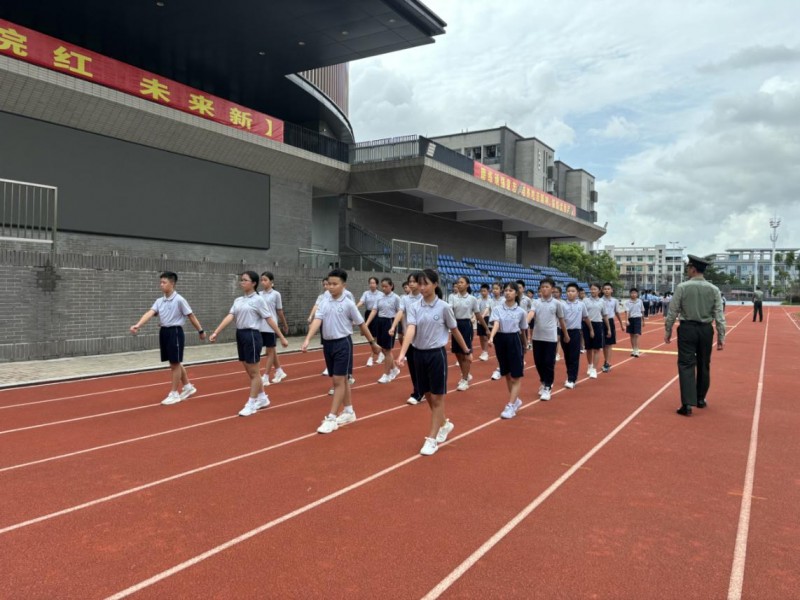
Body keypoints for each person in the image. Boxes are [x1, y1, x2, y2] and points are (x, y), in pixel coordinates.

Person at [395, 269, 471, 456]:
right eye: (419, 284)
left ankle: (431, 438)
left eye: (425, 283)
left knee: (437, 397)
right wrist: (402, 353)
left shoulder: (444, 307)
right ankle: (444, 424)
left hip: (436, 355)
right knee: (426, 394)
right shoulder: (414, 306)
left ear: (435, 284)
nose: (421, 287)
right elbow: (410, 329)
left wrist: (467, 350)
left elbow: (455, 330)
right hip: (419, 354)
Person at [302, 268, 382, 433]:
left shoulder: (348, 303)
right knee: (342, 380)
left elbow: (361, 324)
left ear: (343, 285)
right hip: (328, 344)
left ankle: (331, 417)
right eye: (328, 284)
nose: (330, 287)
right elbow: (318, 319)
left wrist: (372, 343)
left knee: (338, 381)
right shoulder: (325, 301)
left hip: (342, 343)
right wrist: (308, 338)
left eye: (334, 284)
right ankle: (349, 411)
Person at [208, 271, 288, 417]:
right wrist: (216, 332)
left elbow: (269, 319)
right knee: (249, 371)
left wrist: (281, 336)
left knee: (254, 372)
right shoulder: (238, 300)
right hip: (241, 334)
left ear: (253, 283)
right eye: (241, 280)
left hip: (252, 335)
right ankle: (262, 398)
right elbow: (230, 316)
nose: (242, 282)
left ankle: (251, 403)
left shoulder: (258, 300)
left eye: (245, 280)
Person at [130, 271, 206, 405]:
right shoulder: (159, 301)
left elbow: (191, 316)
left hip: (175, 332)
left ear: (172, 283)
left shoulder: (180, 300)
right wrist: (138, 325)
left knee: (174, 364)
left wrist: (200, 330)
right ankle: (188, 386)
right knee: (174, 362)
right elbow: (150, 313)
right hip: (164, 332)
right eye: (160, 282)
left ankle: (174, 393)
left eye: (164, 282)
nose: (161, 285)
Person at [664, 255, 726, 416]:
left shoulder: (682, 287)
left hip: (687, 329)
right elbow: (719, 315)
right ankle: (700, 399)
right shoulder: (714, 289)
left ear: (692, 269)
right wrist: (721, 337)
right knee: (704, 364)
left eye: (688, 268)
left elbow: (673, 311)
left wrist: (668, 330)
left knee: (686, 365)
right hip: (706, 330)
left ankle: (687, 404)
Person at [488, 282, 528, 419]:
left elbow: (523, 330)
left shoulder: (521, 312)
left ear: (516, 293)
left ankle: (511, 405)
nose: (507, 293)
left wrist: (525, 344)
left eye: (511, 290)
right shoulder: (497, 309)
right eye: (506, 290)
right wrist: (492, 337)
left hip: (514, 340)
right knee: (507, 373)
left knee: (516, 375)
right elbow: (496, 324)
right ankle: (515, 400)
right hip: (501, 340)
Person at [528, 277, 569, 400]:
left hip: (550, 338)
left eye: (547, 287)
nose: (544, 289)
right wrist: (525, 322)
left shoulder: (557, 303)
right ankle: (544, 381)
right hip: (537, 337)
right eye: (542, 287)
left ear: (552, 289)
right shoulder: (536, 302)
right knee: (538, 362)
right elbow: (531, 313)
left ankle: (547, 387)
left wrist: (565, 334)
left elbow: (561, 320)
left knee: (548, 363)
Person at [448, 276, 488, 391]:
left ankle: (465, 379)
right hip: (455, 325)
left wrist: (486, 328)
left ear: (467, 285)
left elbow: (478, 314)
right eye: (458, 283)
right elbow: (449, 310)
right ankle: (466, 374)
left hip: (466, 326)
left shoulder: (472, 299)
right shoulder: (452, 297)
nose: (459, 284)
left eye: (461, 282)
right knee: (457, 353)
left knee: (465, 353)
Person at [390, 273, 423, 404]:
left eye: (414, 281)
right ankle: (417, 392)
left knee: (422, 366)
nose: (411, 284)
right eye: (410, 281)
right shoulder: (404, 299)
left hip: (422, 338)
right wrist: (393, 326)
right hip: (409, 337)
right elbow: (400, 312)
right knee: (413, 367)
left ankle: (422, 389)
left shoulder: (424, 298)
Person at [366, 277, 402, 383]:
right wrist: (366, 323)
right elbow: (374, 310)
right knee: (382, 349)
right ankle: (394, 369)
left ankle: (386, 374)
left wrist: (394, 326)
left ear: (391, 286)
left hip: (389, 322)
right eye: (382, 286)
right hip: (380, 322)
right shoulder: (379, 297)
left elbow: (400, 312)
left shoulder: (396, 298)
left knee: (387, 350)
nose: (384, 288)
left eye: (386, 286)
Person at [258, 271, 290, 386]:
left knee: (270, 351)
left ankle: (266, 376)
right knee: (269, 351)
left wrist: (284, 324)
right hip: (260, 326)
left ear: (272, 282)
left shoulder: (276, 294)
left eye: (265, 280)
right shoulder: (259, 294)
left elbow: (279, 311)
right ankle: (279, 371)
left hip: (271, 327)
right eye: (261, 280)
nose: (263, 282)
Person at [582, 283, 610, 379]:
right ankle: (589, 365)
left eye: (595, 289)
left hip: (598, 324)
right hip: (586, 324)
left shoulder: (602, 302)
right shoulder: (585, 301)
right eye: (591, 289)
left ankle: (594, 369)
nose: (593, 291)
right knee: (589, 348)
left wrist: (609, 328)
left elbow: (605, 315)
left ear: (599, 290)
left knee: (597, 348)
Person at [357, 277, 383, 366]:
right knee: (369, 336)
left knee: (374, 336)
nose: (372, 284)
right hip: (368, 313)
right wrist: (355, 307)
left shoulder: (380, 294)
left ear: (377, 284)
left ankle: (371, 357)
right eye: (370, 283)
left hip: (376, 314)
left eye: (373, 283)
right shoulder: (366, 293)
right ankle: (380, 353)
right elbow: (361, 301)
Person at [601, 283, 625, 373]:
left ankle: (607, 362)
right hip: (601, 322)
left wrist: (622, 324)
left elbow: (617, 312)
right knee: (603, 344)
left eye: (608, 289)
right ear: (602, 290)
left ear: (612, 290)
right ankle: (606, 360)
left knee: (609, 344)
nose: (607, 290)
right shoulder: (600, 300)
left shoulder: (614, 301)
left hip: (610, 321)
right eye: (605, 289)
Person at [623, 288, 645, 357]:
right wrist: (626, 320)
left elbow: (642, 311)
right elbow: (627, 312)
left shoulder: (640, 301)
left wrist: (643, 321)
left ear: (637, 294)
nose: (633, 294)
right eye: (632, 293)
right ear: (630, 294)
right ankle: (633, 350)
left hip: (638, 319)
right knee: (631, 335)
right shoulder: (627, 302)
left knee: (636, 335)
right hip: (630, 319)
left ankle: (637, 350)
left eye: (635, 293)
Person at [476, 283, 492, 361]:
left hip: (487, 318)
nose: (483, 293)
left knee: (485, 336)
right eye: (481, 291)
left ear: (488, 291)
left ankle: (485, 352)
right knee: (481, 336)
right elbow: (476, 309)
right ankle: (483, 351)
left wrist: (482, 316)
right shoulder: (478, 299)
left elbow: (487, 309)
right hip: (480, 318)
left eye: (484, 291)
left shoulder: (490, 300)